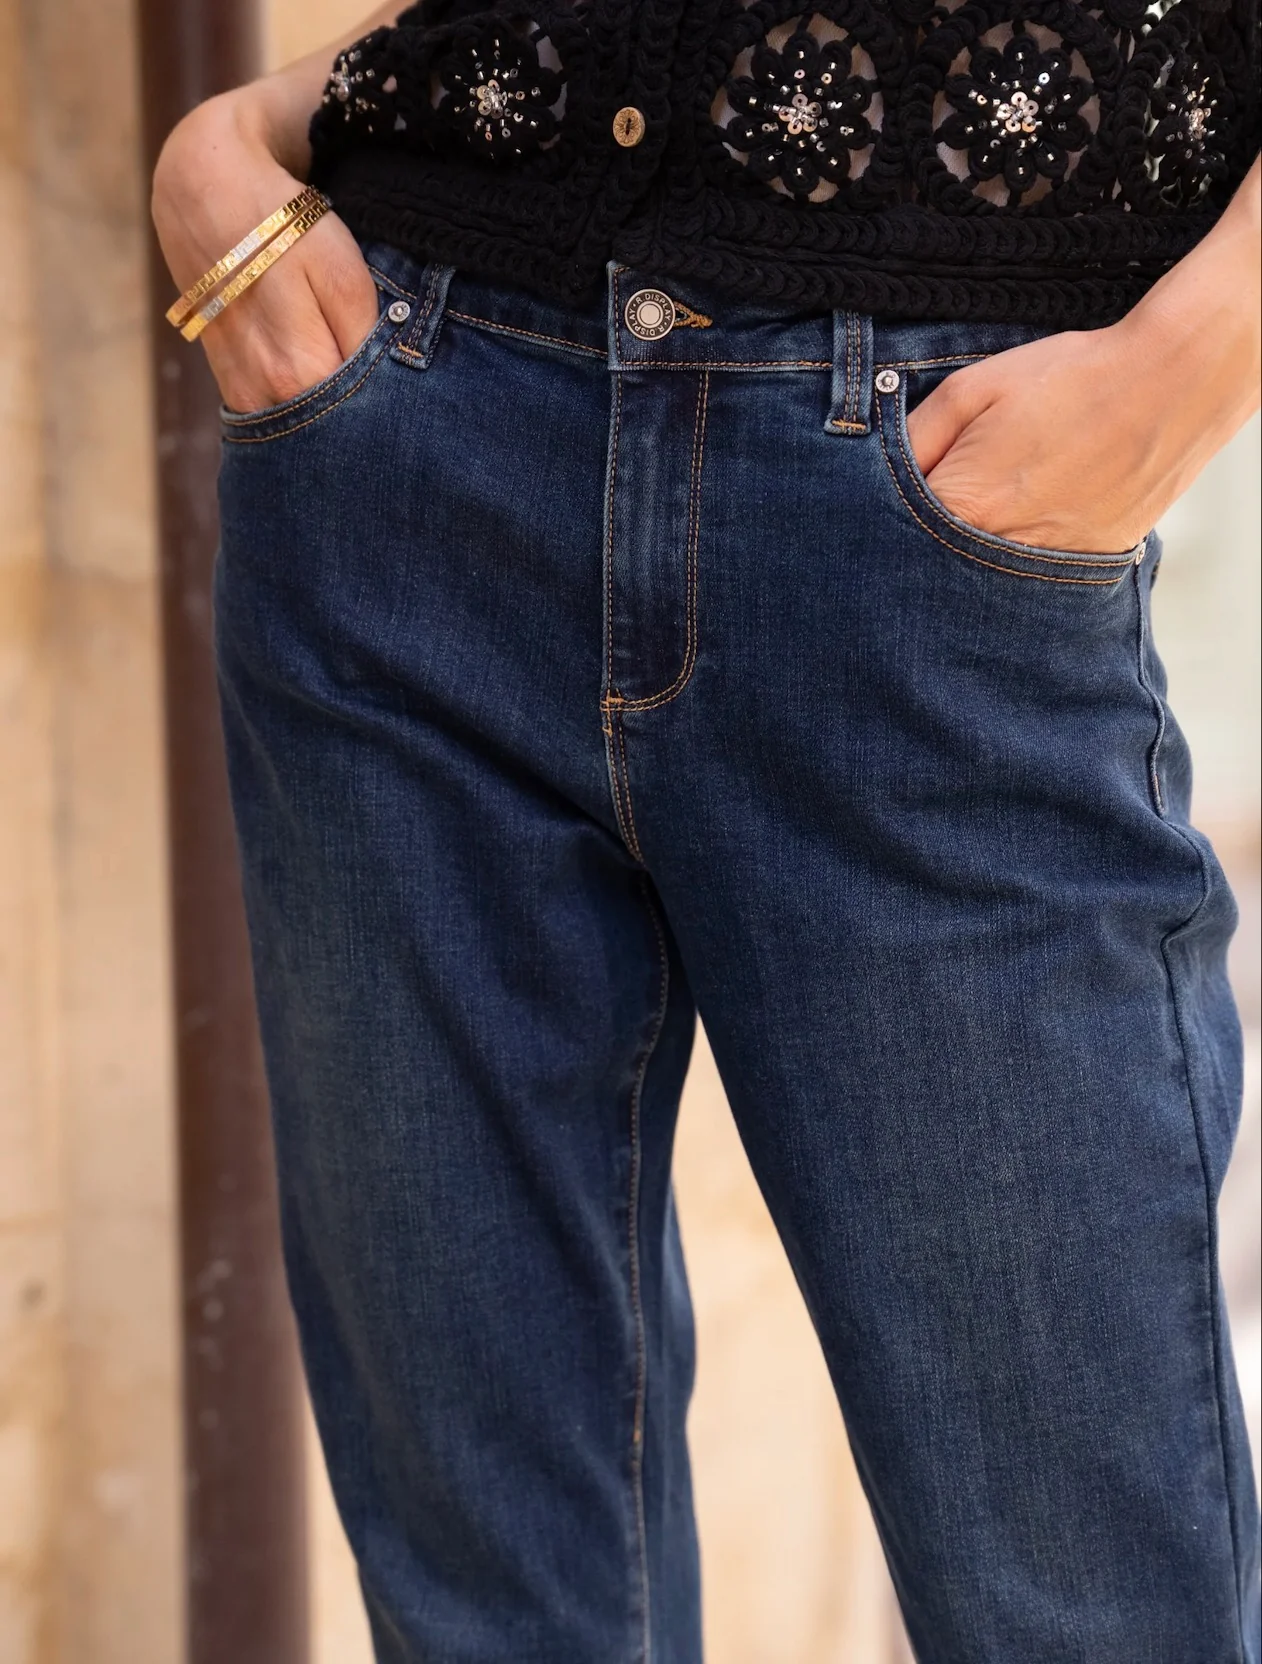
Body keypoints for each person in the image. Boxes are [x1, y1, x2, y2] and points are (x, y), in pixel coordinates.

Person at [152, 3, 1261, 1658]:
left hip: (934, 506)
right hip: (404, 446)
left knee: (1085, 1597)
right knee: (491, 1611)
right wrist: (228, 146)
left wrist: (1209, 338)